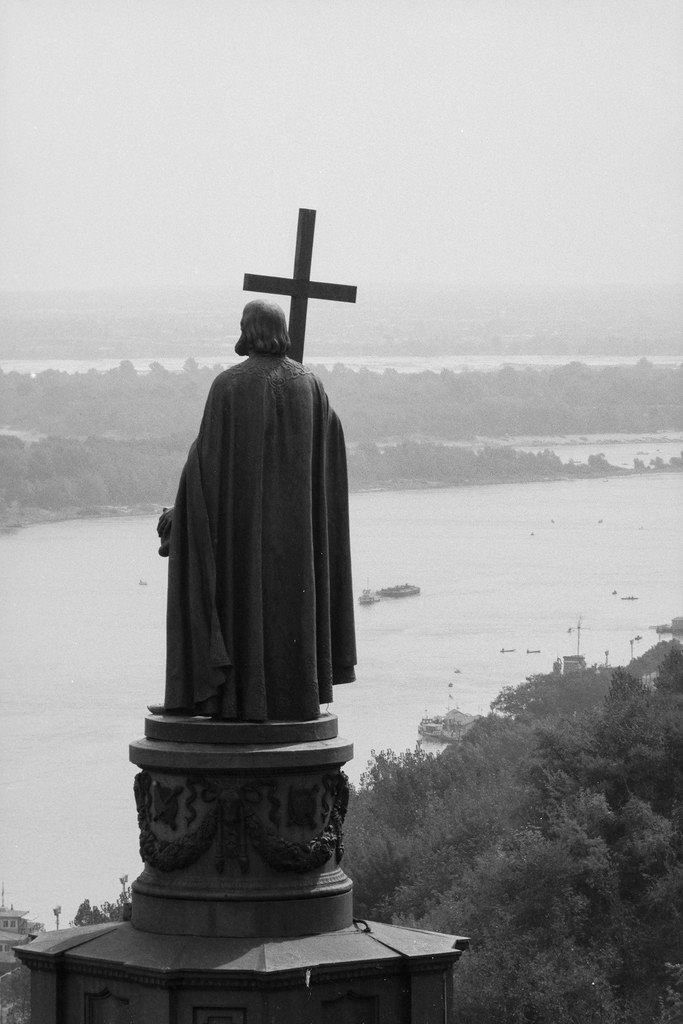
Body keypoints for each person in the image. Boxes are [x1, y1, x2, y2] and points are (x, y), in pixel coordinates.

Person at [156, 300, 356, 721]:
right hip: (298, 542)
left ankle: (230, 700)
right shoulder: (313, 387)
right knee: (289, 614)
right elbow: (329, 452)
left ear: (250, 330)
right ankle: (293, 698)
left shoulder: (229, 386)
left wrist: (181, 514)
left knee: (240, 604)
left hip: (242, 538)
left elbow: (205, 466)